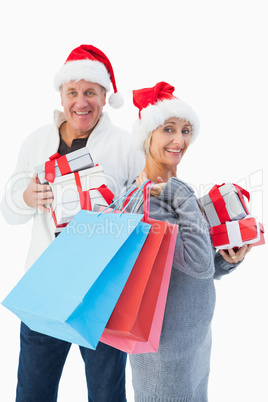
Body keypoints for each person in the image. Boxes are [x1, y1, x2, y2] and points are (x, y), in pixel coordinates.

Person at [1, 44, 144, 402]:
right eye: (73, 93)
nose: (81, 102)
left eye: (90, 92)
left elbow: (144, 208)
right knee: (33, 391)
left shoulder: (126, 146)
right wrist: (26, 198)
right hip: (44, 285)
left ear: (105, 95)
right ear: (62, 95)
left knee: (106, 393)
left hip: (102, 290)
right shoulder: (36, 141)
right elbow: (9, 207)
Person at [128, 81, 252, 402]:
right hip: (165, 358)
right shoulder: (150, 201)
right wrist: (182, 193)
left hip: (194, 347)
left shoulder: (168, 192)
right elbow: (197, 265)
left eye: (185, 130)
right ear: (147, 136)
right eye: (168, 129)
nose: (179, 140)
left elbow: (197, 269)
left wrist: (227, 259)